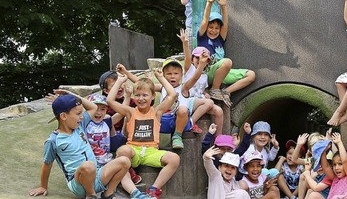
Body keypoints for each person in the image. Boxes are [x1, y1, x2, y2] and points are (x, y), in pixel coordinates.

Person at [29, 94, 130, 199]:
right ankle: (91, 195)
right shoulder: (54, 140)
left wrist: (71, 95)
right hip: (79, 184)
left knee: (124, 161)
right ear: (63, 116)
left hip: (97, 175)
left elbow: (93, 107)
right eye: (78, 114)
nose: (82, 116)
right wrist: (43, 186)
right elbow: (47, 164)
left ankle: (108, 193)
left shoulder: (80, 126)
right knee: (88, 166)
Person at [107, 69, 180, 198]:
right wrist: (119, 80)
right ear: (134, 97)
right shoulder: (130, 112)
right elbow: (110, 101)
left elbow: (172, 94)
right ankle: (134, 192)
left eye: (145, 95)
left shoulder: (157, 112)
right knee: (122, 151)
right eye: (138, 95)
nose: (141, 99)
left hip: (151, 151)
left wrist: (161, 77)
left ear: (153, 96)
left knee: (174, 158)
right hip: (133, 149)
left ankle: (154, 189)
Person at [117, 57, 219, 149]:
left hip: (179, 119)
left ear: (181, 75)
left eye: (175, 74)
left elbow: (195, 78)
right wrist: (126, 72)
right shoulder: (162, 87)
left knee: (183, 109)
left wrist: (201, 65)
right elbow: (141, 82)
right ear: (163, 75)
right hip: (164, 119)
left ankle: (182, 131)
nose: (172, 77)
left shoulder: (184, 87)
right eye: (169, 74)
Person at [199, 0, 256, 107]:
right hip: (207, 73)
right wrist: (209, 3)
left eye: (216, 28)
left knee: (251, 75)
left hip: (222, 73)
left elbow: (225, 24)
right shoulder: (203, 38)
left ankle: (225, 92)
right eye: (211, 27)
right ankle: (214, 89)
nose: (213, 30)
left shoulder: (220, 39)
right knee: (227, 62)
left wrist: (223, 6)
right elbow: (204, 20)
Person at [180, 29, 224, 136]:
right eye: (197, 57)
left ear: (207, 61)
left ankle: (219, 138)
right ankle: (190, 122)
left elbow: (201, 89)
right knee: (209, 103)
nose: (200, 60)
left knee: (219, 111)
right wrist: (185, 43)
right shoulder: (189, 68)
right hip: (188, 99)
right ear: (193, 58)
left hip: (200, 100)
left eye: (203, 58)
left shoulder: (204, 76)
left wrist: (205, 93)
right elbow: (187, 58)